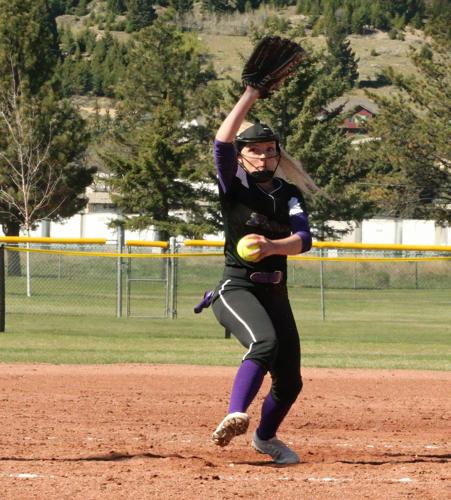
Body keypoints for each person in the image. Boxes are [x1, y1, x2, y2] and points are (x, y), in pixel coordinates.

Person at [209, 85, 313, 465]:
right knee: (264, 343)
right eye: (256, 150)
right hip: (236, 287)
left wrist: (273, 247)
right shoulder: (234, 184)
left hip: (275, 292)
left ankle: (265, 438)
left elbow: (303, 240)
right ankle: (235, 412)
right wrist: (250, 95)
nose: (265, 156)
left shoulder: (288, 194)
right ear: (243, 156)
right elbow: (221, 142)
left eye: (271, 150)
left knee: (290, 383)